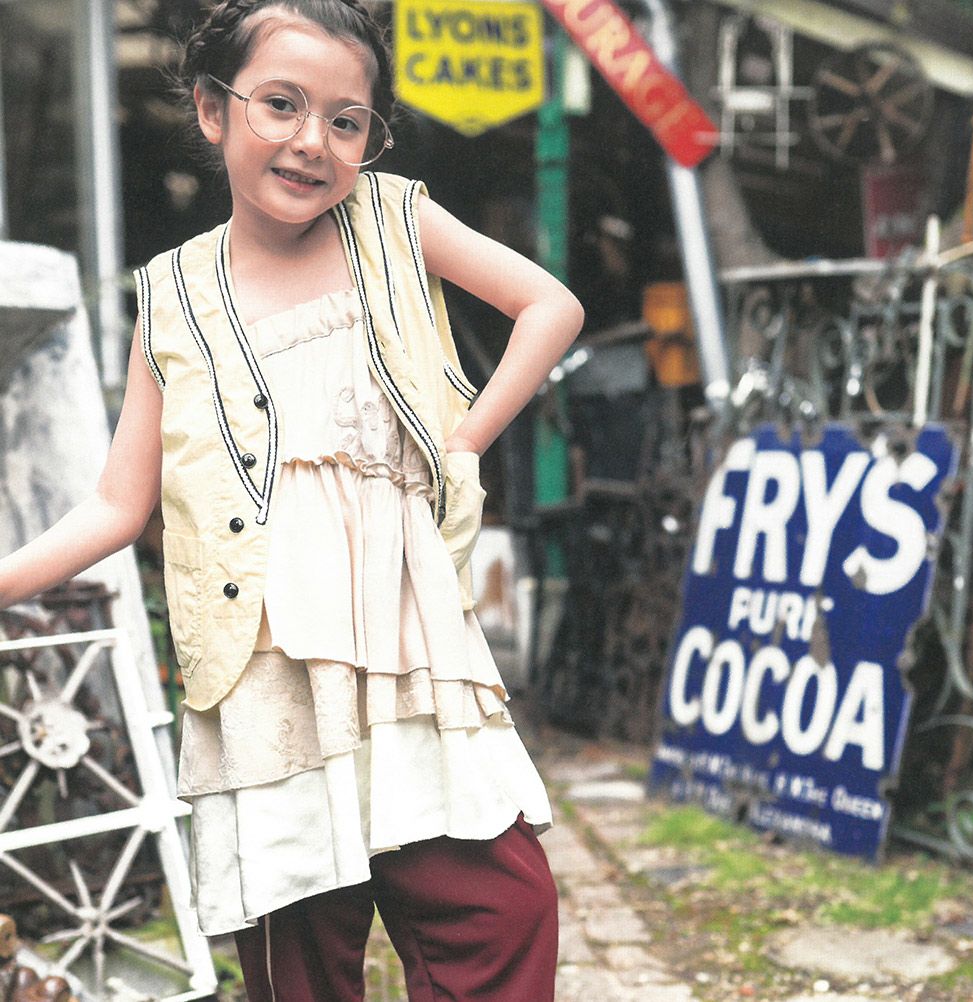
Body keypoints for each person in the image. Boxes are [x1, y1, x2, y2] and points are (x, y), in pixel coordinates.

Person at [0, 1, 584, 999]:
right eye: (280, 104)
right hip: (263, 663)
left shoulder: (394, 220)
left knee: (499, 906)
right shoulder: (174, 296)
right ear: (212, 109)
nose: (313, 140)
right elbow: (116, 505)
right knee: (298, 949)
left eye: (346, 121)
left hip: (404, 645)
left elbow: (550, 306)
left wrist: (462, 441)